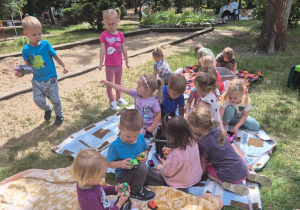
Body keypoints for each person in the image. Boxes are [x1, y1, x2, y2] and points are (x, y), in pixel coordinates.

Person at [188, 106, 271, 196]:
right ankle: (249, 175)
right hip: (243, 169)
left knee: (208, 169)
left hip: (230, 177)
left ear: (197, 129)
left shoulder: (203, 144)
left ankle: (224, 183)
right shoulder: (218, 132)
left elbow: (203, 163)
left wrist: (202, 173)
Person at [15, 16, 68, 125]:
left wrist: (64, 65)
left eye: (39, 33)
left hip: (51, 78)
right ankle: (48, 109)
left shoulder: (45, 45)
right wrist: (21, 74)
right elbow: (28, 68)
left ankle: (59, 115)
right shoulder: (25, 50)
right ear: (25, 34)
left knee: (55, 99)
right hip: (37, 81)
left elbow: (56, 56)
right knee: (37, 100)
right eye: (34, 34)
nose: (38, 36)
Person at [106, 109, 166, 201]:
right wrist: (120, 164)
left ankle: (140, 182)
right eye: (128, 136)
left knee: (161, 181)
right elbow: (108, 163)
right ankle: (135, 191)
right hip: (124, 176)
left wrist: (145, 154)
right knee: (142, 167)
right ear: (120, 128)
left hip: (139, 171)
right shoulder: (115, 146)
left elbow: (146, 149)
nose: (131, 139)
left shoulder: (141, 137)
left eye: (135, 136)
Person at [156, 115, 202, 193]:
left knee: (158, 169)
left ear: (172, 136)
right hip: (196, 176)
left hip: (182, 183)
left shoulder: (175, 154)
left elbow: (168, 172)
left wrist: (163, 166)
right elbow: (185, 154)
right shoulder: (193, 142)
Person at [98, 8, 130, 111]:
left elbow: (124, 49)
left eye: (113, 23)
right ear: (105, 23)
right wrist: (100, 63)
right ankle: (112, 101)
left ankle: (119, 98)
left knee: (118, 83)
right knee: (109, 83)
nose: (111, 26)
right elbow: (102, 50)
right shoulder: (104, 35)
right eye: (108, 24)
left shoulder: (120, 35)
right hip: (109, 65)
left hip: (119, 64)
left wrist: (127, 62)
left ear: (117, 21)